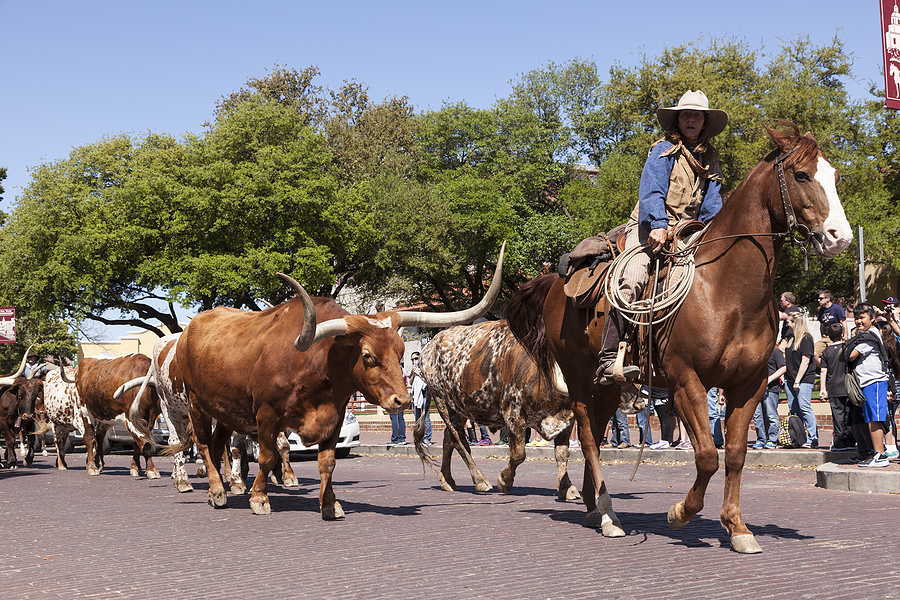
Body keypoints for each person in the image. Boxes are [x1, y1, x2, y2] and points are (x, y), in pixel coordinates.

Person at [597, 90, 728, 384]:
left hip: (687, 232)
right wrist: (657, 224)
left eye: (697, 116)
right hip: (648, 226)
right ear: (678, 121)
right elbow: (651, 191)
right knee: (632, 278)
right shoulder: (662, 150)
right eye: (686, 115)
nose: (691, 120)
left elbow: (711, 207)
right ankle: (608, 359)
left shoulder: (712, 161)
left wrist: (712, 233)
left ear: (705, 122)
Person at [845, 303, 896, 467]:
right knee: (870, 419)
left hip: (874, 382)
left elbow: (850, 355)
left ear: (872, 318)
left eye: (862, 318)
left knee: (875, 418)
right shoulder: (866, 335)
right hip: (867, 383)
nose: (858, 321)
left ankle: (880, 455)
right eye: (857, 318)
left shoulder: (870, 336)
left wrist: (848, 347)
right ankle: (876, 453)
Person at [783, 312, 818, 448]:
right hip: (790, 379)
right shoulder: (791, 338)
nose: (787, 324)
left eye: (789, 322)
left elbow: (806, 360)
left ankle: (813, 438)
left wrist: (797, 380)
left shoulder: (806, 338)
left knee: (804, 407)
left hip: (804, 379)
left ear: (796, 323)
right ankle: (798, 437)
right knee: (794, 409)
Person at [819, 323, 855, 451]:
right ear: (842, 335)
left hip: (834, 388)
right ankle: (850, 441)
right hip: (848, 387)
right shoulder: (847, 348)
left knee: (838, 416)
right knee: (849, 415)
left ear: (829, 336)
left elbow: (823, 371)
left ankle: (839, 442)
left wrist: (823, 389)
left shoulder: (826, 351)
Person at [753, 343, 786, 449]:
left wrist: (769, 379)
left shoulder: (775, 351)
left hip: (772, 388)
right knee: (757, 416)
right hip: (756, 389)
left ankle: (773, 439)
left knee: (771, 414)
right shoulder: (754, 353)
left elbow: (783, 367)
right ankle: (761, 439)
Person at [408, 352, 432, 446]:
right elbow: (410, 382)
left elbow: (428, 381)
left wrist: (419, 374)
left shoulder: (424, 368)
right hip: (416, 397)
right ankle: (419, 438)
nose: (414, 361)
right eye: (412, 359)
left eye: (416, 358)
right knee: (417, 418)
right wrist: (414, 374)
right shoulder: (413, 369)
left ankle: (427, 438)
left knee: (426, 417)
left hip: (425, 395)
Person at [815, 290, 846, 358]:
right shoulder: (821, 311)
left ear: (828, 299)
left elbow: (843, 322)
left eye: (821, 298)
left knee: (833, 355)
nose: (818, 300)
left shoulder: (837, 308)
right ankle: (825, 367)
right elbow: (822, 326)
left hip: (836, 337)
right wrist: (822, 336)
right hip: (826, 337)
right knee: (814, 354)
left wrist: (845, 336)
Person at [389, 359, 408, 446]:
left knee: (394, 418)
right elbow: (406, 383)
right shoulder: (403, 371)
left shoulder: (392, 372)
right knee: (400, 418)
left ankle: (395, 438)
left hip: (394, 395)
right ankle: (402, 438)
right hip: (401, 395)